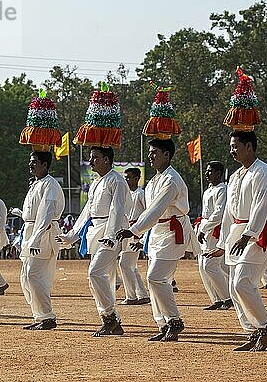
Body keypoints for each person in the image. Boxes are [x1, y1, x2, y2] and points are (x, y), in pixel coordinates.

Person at [117, 138, 197, 342]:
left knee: (156, 277)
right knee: (155, 280)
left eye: (155, 152)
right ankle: (163, 323)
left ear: (167, 155)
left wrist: (133, 230)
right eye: (150, 152)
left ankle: (174, 321)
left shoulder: (171, 180)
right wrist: (137, 232)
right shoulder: (153, 181)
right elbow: (147, 212)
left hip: (172, 232)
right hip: (157, 233)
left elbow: (155, 210)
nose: (150, 155)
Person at [215, 131, 267, 351]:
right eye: (231, 146)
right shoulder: (235, 175)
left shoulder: (264, 172)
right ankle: (253, 330)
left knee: (242, 282)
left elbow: (261, 206)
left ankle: (265, 329)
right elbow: (229, 212)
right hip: (238, 232)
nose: (232, 150)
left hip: (258, 232)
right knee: (234, 285)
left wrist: (249, 234)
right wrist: (222, 243)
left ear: (249, 147)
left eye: (236, 146)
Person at [57, 147, 131, 336]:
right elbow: (86, 213)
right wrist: (71, 235)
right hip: (97, 231)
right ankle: (110, 320)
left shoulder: (117, 181)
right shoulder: (97, 183)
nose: (91, 162)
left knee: (95, 272)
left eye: (95, 158)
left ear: (106, 159)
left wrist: (111, 234)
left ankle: (111, 318)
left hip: (111, 232)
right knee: (95, 278)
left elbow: (118, 209)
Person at [19, 151, 65, 330]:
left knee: (35, 275)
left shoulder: (51, 185)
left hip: (43, 235)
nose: (31, 165)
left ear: (45, 165)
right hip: (31, 233)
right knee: (26, 277)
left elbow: (45, 216)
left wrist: (36, 240)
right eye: (30, 161)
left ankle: (47, 316)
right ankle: (39, 316)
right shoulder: (36, 185)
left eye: (35, 162)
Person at [196, 161, 231, 310]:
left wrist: (204, 228)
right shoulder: (208, 190)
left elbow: (218, 213)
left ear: (218, 173)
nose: (207, 174)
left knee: (210, 264)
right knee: (202, 266)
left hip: (214, 230)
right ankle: (216, 298)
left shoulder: (223, 189)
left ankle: (227, 297)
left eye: (210, 171)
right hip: (205, 228)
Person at [118, 167, 150, 306]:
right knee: (131, 265)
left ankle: (131, 296)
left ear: (137, 178)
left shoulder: (141, 194)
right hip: (127, 231)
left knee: (124, 263)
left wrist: (142, 237)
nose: (126, 180)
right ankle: (141, 294)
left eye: (128, 178)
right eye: (125, 178)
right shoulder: (125, 194)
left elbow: (149, 214)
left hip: (136, 232)